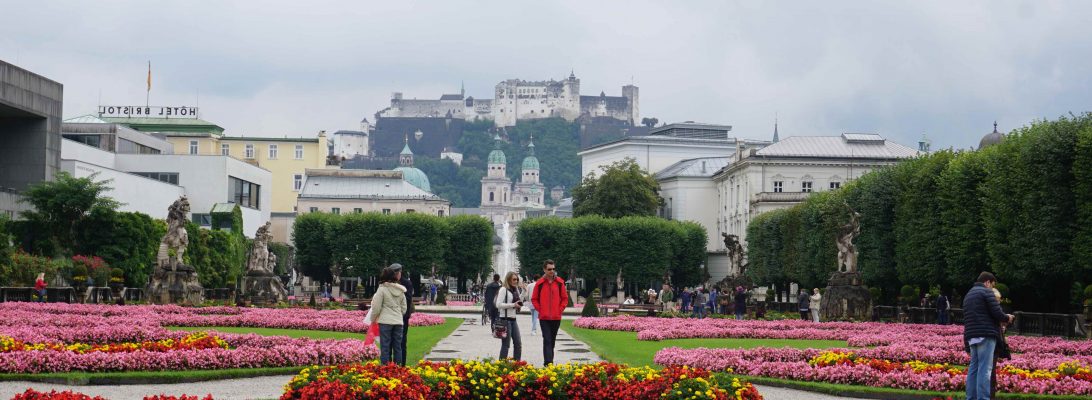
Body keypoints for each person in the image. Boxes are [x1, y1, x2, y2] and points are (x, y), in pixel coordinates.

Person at [963, 271, 1014, 400]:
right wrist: (1007, 317)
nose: (993, 288)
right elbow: (997, 313)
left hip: (971, 336)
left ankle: (971, 398)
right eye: (992, 284)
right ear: (987, 282)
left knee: (973, 368)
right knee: (985, 370)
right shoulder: (986, 292)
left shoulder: (968, 294)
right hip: (986, 334)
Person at [532, 259, 568, 366]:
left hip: (556, 317)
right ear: (544, 269)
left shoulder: (560, 282)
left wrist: (560, 309)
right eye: (549, 269)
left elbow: (565, 299)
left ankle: (548, 360)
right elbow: (534, 299)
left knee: (552, 340)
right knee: (547, 339)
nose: (552, 271)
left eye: (553, 269)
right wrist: (541, 309)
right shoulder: (540, 284)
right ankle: (549, 362)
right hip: (544, 317)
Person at [370, 264, 408, 365]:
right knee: (397, 347)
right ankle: (398, 369)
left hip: (385, 321)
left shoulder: (382, 289)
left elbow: (376, 307)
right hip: (398, 322)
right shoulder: (401, 290)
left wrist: (372, 319)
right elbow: (404, 308)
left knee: (385, 347)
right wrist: (398, 315)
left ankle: (386, 370)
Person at [495, 271, 524, 360]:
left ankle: (517, 365)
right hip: (505, 319)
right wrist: (512, 305)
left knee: (518, 343)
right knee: (506, 345)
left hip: (513, 319)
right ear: (508, 280)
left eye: (517, 279)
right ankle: (501, 365)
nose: (516, 281)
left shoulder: (515, 290)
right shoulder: (503, 289)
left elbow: (519, 301)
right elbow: (498, 304)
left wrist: (523, 291)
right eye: (514, 279)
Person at [990, 287, 1012, 399]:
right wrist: (1006, 318)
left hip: (995, 341)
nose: (998, 302)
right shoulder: (992, 308)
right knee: (990, 372)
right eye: (997, 300)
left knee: (991, 371)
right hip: (993, 342)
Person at [398, 265, 415, 366]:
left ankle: (402, 364)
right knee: (390, 343)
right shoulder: (389, 283)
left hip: (403, 316)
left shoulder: (407, 283)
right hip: (393, 317)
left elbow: (408, 298)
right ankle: (390, 365)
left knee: (402, 341)